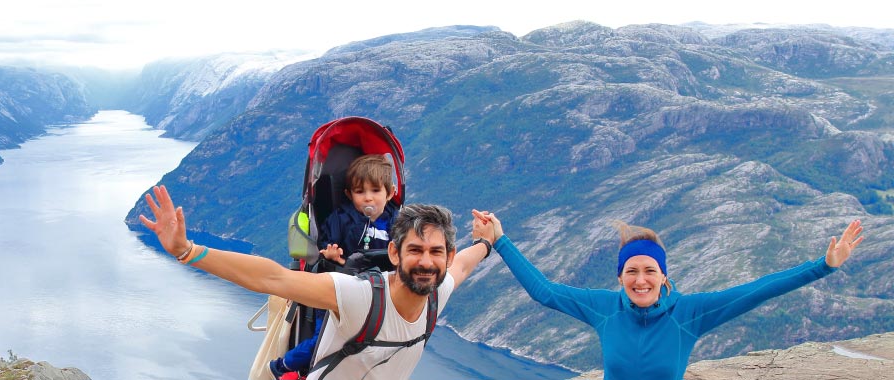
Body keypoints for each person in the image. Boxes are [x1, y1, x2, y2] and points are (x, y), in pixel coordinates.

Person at [138, 185, 497, 380]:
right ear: (393, 254)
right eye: (415, 249)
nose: (426, 261)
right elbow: (272, 277)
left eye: (436, 252)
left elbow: (465, 265)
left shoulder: (439, 291)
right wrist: (187, 251)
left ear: (446, 257)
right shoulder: (360, 297)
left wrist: (486, 241)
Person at [472, 210, 865, 380]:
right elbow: (545, 292)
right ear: (621, 276)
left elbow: (757, 290)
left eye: (649, 271)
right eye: (632, 271)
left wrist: (823, 265)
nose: (640, 280)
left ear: (664, 277)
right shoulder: (604, 308)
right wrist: (500, 240)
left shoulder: (689, 314)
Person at [271, 154, 400, 378]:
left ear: (390, 193)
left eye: (375, 191)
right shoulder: (341, 219)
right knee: (324, 339)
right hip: (339, 285)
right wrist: (332, 255)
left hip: (377, 292)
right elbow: (324, 247)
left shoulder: (395, 222)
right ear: (350, 195)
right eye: (360, 192)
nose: (368, 199)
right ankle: (283, 365)